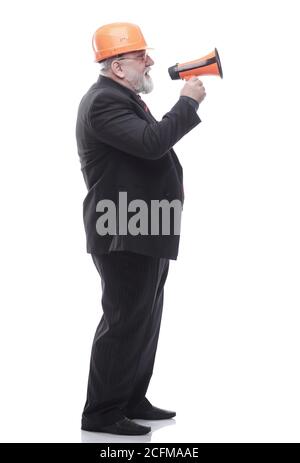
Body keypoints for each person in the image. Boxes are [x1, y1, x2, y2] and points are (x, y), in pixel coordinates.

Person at [75, 22, 206, 435]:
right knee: (124, 320)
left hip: (146, 226)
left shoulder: (122, 96)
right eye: (140, 55)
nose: (149, 60)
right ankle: (101, 413)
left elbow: (146, 147)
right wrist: (187, 103)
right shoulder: (103, 103)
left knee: (146, 318)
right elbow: (152, 143)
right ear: (117, 66)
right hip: (123, 229)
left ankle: (130, 398)